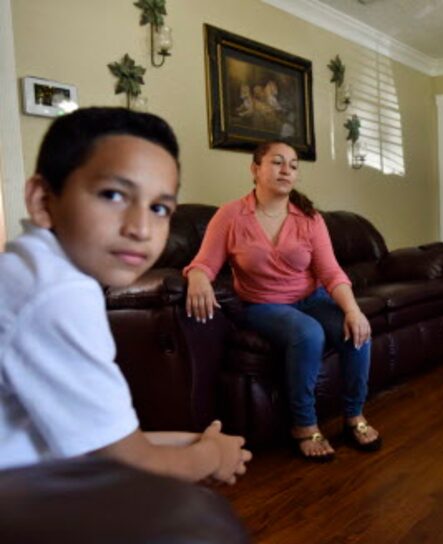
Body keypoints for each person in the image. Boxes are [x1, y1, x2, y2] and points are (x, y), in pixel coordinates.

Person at [0, 107, 252, 484]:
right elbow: (128, 462)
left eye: (160, 208)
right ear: (42, 200)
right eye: (114, 194)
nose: (141, 228)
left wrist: (195, 443)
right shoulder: (59, 294)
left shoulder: (27, 268)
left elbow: (101, 441)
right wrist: (213, 456)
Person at [184, 140, 380, 462]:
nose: (286, 169)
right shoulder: (231, 215)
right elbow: (204, 262)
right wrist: (197, 277)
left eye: (292, 164)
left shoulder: (309, 218)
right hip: (261, 305)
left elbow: (330, 271)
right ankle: (304, 425)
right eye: (277, 162)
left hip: (310, 298)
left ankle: (353, 416)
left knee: (358, 332)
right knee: (308, 333)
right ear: (255, 169)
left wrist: (353, 310)